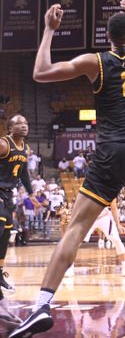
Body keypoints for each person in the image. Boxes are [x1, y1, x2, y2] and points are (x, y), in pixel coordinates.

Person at [10, 0, 125, 338]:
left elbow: (40, 72)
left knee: (75, 228)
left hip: (112, 150)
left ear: (108, 37)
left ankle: (42, 305)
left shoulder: (96, 62)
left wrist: (49, 30)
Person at [0, 115, 39, 293]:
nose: (23, 126)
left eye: (25, 123)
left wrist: (31, 195)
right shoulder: (3, 144)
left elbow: (23, 174)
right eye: (18, 123)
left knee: (5, 235)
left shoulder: (26, 149)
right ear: (10, 128)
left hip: (9, 196)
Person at [81, 199, 125, 277]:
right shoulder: (88, 188)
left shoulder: (110, 189)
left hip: (104, 217)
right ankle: (69, 267)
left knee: (116, 240)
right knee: (76, 241)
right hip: (89, 217)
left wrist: (118, 224)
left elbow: (114, 208)